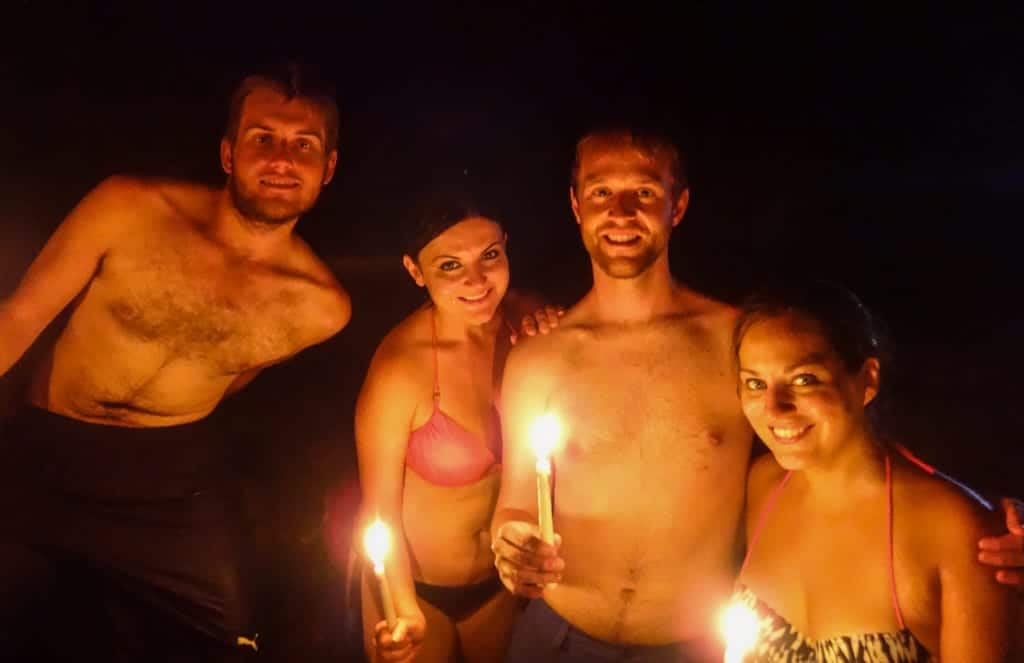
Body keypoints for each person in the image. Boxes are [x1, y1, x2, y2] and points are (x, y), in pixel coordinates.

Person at [490, 126, 1024, 663]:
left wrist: (983, 515)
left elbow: (842, 428)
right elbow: (515, 499)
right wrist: (511, 543)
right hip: (557, 636)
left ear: (678, 206)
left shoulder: (735, 342)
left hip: (694, 643)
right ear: (576, 205)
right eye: (602, 191)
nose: (622, 211)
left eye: (646, 192)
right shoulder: (540, 357)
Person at [0, 62, 351, 660]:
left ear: (329, 168)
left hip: (165, 484)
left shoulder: (321, 308)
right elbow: (17, 320)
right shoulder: (129, 208)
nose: (282, 159)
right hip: (46, 447)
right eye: (262, 138)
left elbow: (234, 377)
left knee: (229, 638)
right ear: (228, 153)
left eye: (304, 145)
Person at [730, 281, 1016, 661]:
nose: (774, 408)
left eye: (804, 379)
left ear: (867, 379)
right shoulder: (764, 485)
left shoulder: (955, 530)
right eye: (755, 383)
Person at [354, 192, 558, 663]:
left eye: (489, 256)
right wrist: (402, 611)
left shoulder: (529, 324)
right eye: (449, 266)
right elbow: (377, 511)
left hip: (498, 590)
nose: (477, 280)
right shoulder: (400, 369)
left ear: (506, 246)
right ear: (414, 270)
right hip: (416, 591)